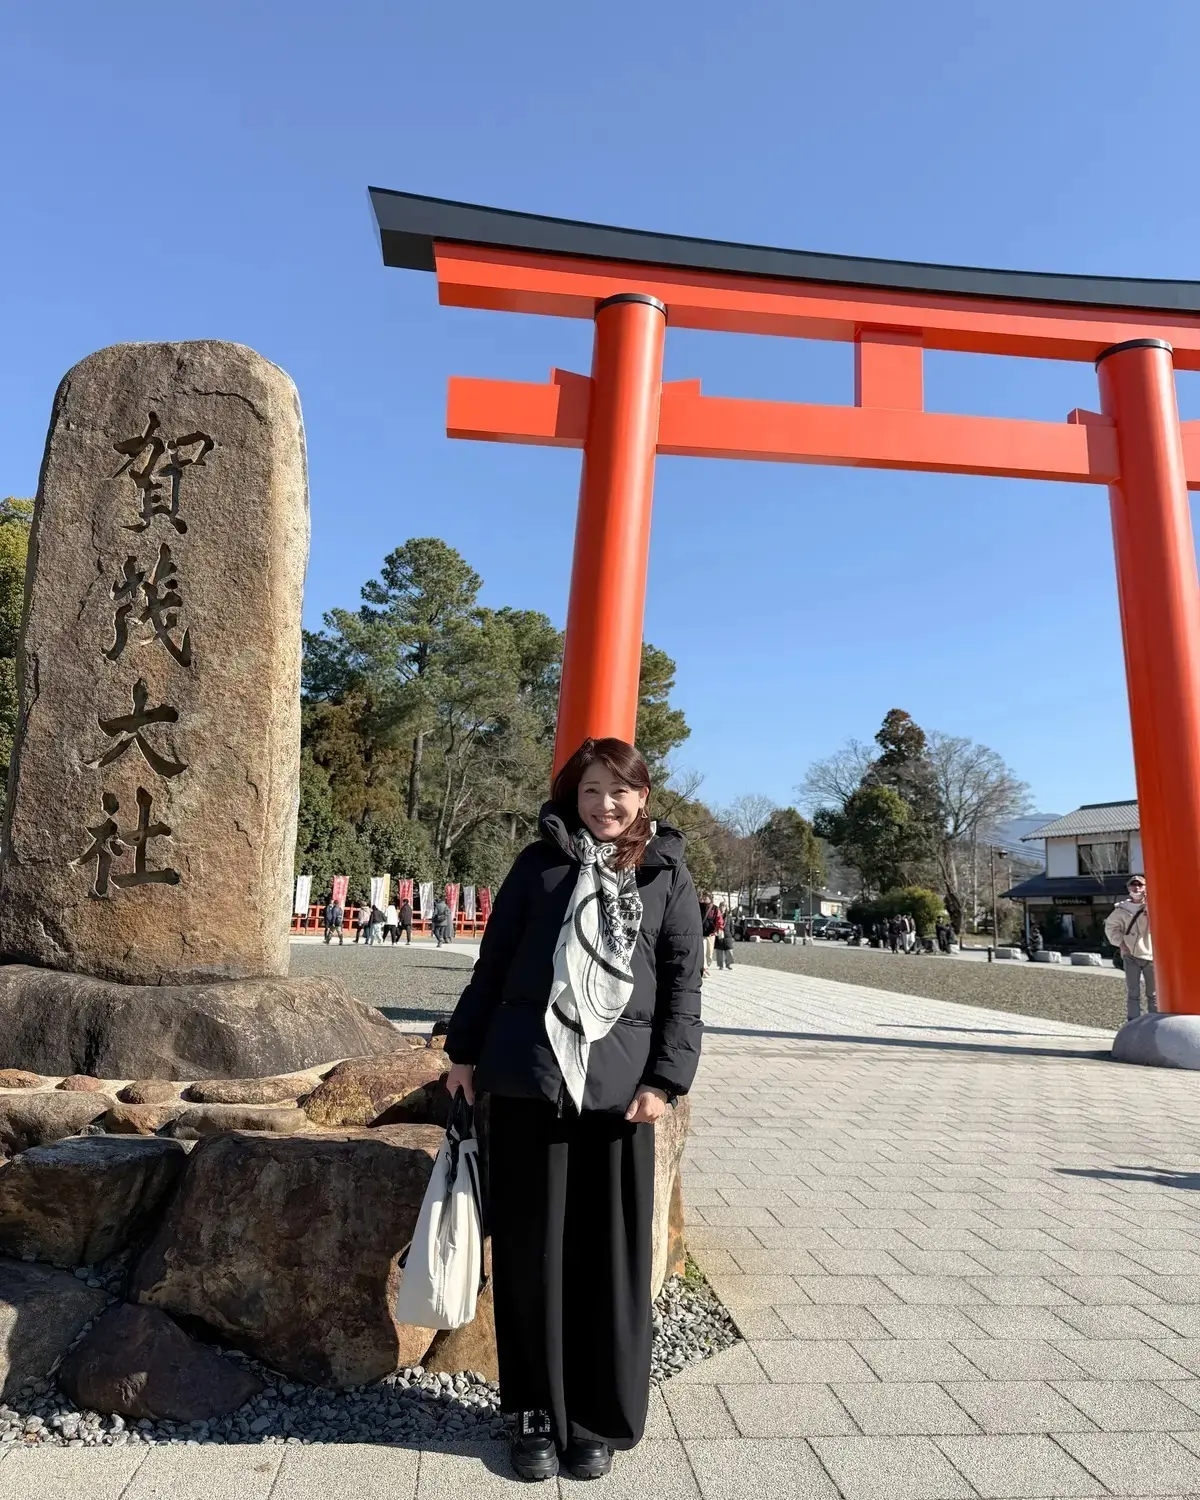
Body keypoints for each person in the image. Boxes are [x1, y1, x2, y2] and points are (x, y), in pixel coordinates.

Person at [444, 737, 702, 1483]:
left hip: (621, 1094)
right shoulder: (540, 865)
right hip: (532, 1078)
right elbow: (493, 963)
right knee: (531, 1254)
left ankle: (594, 1417)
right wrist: (463, 1049)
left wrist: (667, 1079)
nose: (604, 805)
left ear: (643, 796)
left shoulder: (666, 874)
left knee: (609, 1259)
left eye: (618, 791)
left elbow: (684, 991)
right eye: (590, 791)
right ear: (572, 797)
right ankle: (531, 1412)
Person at [1105, 874, 1156, 1020]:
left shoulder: (1153, 905)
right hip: (1130, 954)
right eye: (1133, 885)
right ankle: (1133, 1021)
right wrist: (1121, 944)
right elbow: (1111, 928)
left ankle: (1153, 1021)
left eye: (1140, 885)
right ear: (1128, 888)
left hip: (1151, 954)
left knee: (1153, 993)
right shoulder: (1121, 909)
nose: (1137, 888)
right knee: (1133, 992)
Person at [699, 893, 720, 976]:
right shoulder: (700, 906)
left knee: (709, 953)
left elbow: (719, 919)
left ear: (710, 899)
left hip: (711, 933)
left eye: (706, 898)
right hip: (702, 933)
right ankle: (704, 968)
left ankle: (707, 965)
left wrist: (718, 928)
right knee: (703, 951)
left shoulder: (715, 908)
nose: (705, 899)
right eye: (704, 897)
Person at [714, 905, 735, 971]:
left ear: (726, 908)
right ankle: (720, 965)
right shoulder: (716, 916)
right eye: (721, 907)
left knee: (729, 951)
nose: (722, 908)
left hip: (727, 935)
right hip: (719, 935)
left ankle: (728, 964)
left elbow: (732, 926)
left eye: (724, 907)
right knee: (719, 952)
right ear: (719, 908)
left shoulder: (729, 917)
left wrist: (731, 934)